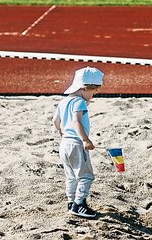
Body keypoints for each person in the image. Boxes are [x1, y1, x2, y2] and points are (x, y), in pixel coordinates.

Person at [53, 66, 104, 219]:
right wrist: (85, 139)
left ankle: (71, 202)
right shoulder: (79, 102)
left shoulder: (63, 101)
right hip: (76, 144)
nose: (92, 96)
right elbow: (76, 122)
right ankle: (79, 204)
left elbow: (55, 121)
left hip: (64, 144)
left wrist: (60, 131)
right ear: (85, 88)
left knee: (71, 175)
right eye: (93, 92)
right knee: (86, 176)